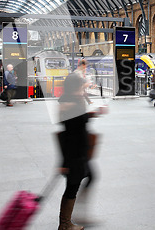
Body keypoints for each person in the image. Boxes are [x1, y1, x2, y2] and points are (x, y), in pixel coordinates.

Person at [56, 70, 103, 230]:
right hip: (74, 155)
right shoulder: (70, 103)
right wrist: (64, 162)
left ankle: (71, 219)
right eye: (82, 83)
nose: (85, 85)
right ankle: (65, 224)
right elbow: (68, 135)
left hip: (80, 153)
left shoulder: (73, 100)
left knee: (90, 177)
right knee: (72, 187)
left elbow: (79, 118)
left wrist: (93, 114)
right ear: (75, 86)